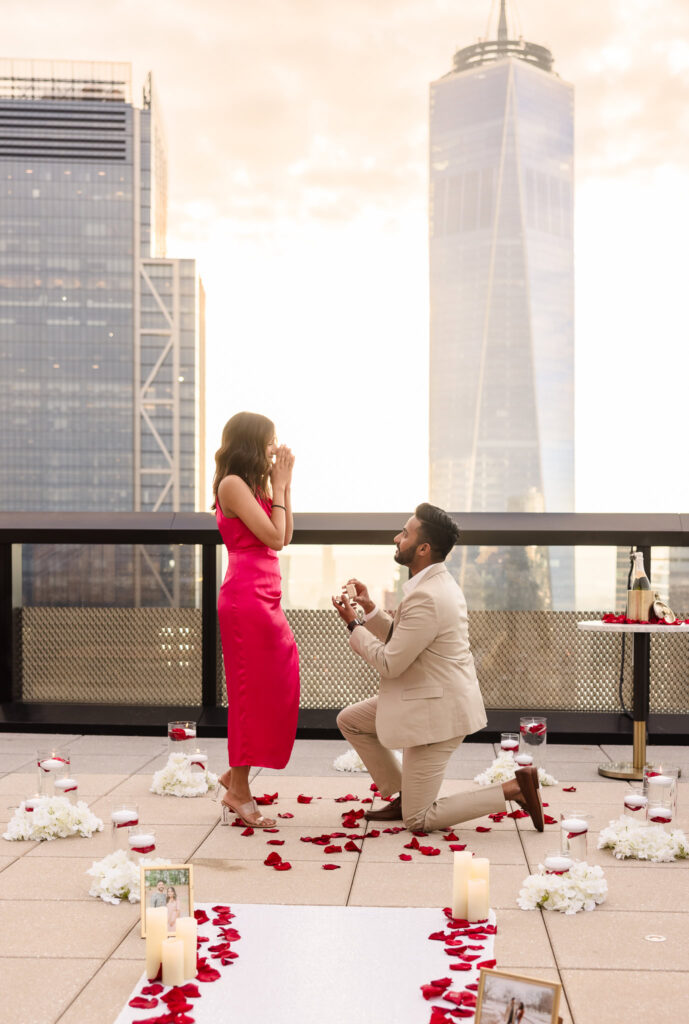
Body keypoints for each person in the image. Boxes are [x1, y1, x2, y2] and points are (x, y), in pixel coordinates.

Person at [333, 503, 543, 833]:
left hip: (437, 711)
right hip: (427, 695)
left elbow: (390, 663)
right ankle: (405, 795)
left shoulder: (428, 596)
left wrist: (353, 626)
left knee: (418, 819)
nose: (396, 538)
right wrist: (371, 611)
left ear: (423, 548)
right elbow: (405, 640)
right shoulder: (434, 585)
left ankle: (513, 789)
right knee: (352, 721)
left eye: (404, 534)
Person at [213, 411, 300, 828]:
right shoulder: (232, 485)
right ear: (251, 442)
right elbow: (270, 537)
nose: (274, 448)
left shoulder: (255, 486)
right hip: (245, 598)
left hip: (266, 595)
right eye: (270, 441)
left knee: (277, 685)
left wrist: (282, 485)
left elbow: (283, 535)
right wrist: (280, 485)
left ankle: (236, 775)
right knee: (251, 694)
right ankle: (238, 790)